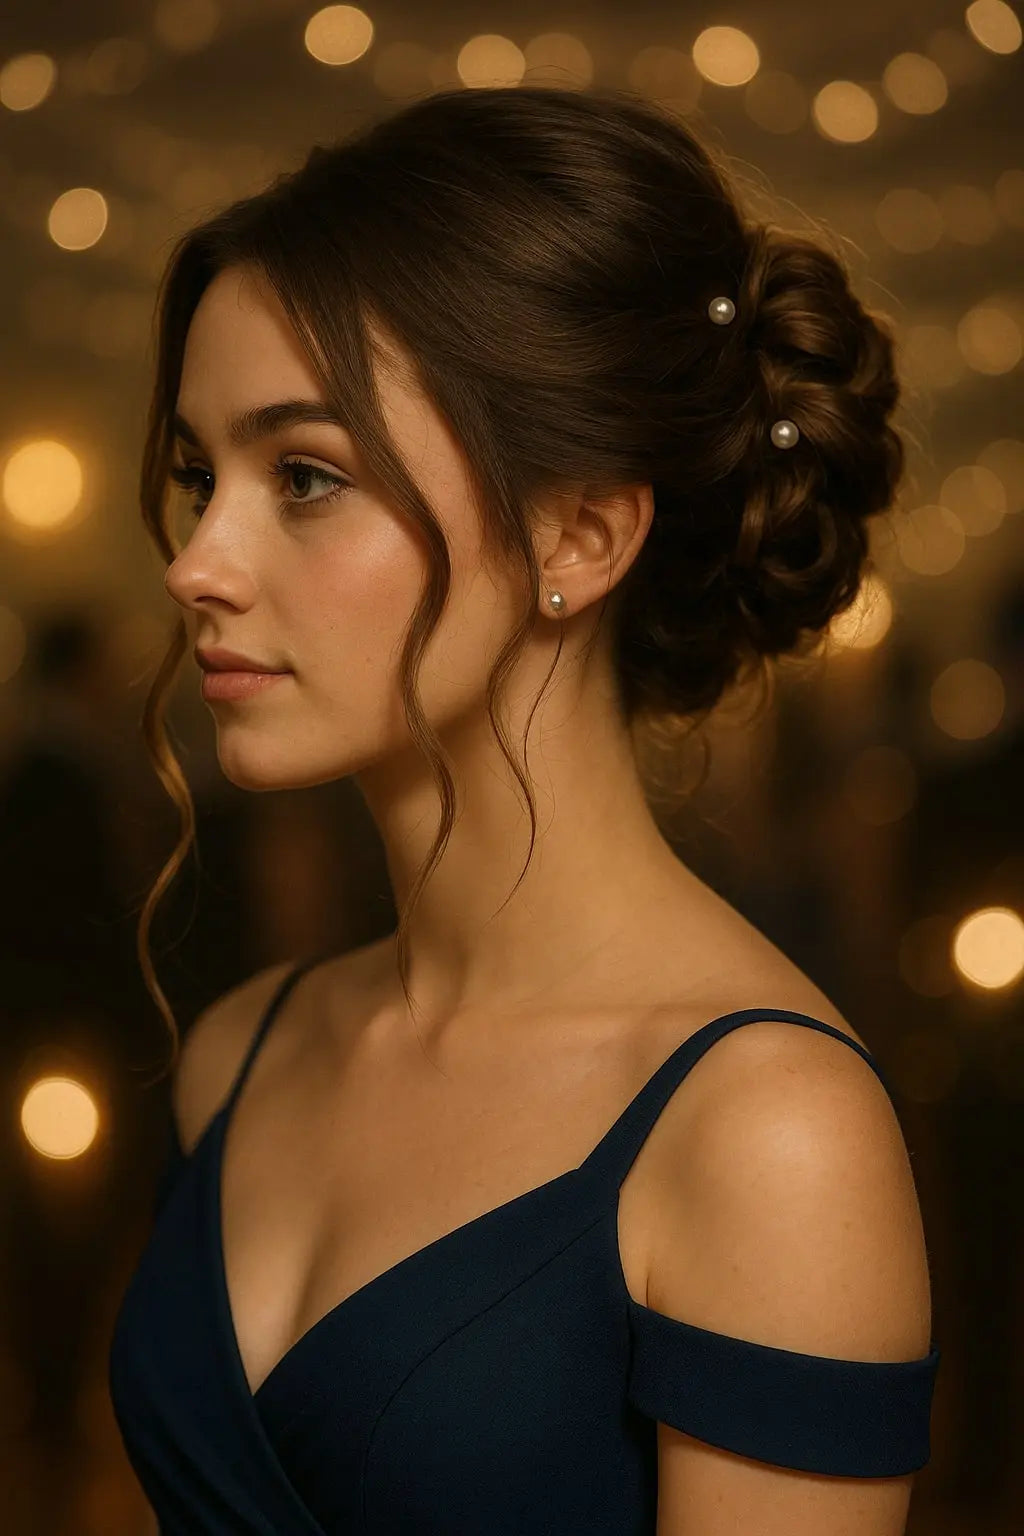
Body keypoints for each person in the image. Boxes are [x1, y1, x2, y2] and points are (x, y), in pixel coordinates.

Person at [108, 85, 939, 1534]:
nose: (198, 564)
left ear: (581, 532)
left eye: (304, 475)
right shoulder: (233, 1056)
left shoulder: (767, 1135)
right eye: (199, 476)